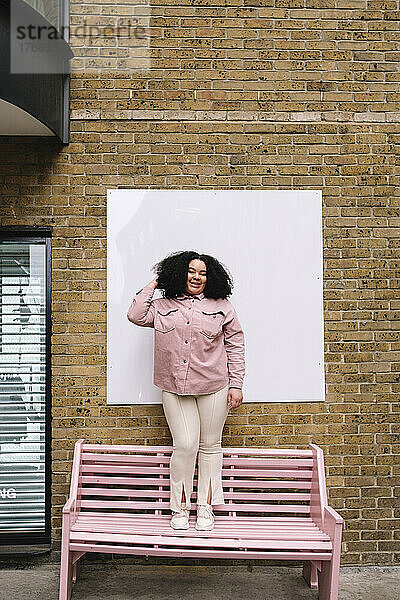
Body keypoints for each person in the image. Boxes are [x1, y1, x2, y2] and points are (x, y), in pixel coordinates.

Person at [127, 250, 245, 531]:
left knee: (209, 447)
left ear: (211, 277)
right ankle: (179, 508)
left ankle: (205, 508)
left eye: (203, 273)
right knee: (185, 445)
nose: (197, 277)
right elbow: (135, 314)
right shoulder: (161, 305)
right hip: (175, 387)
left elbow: (236, 345)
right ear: (180, 273)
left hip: (214, 387)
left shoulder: (223, 306)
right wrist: (156, 282)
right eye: (191, 271)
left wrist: (237, 384)